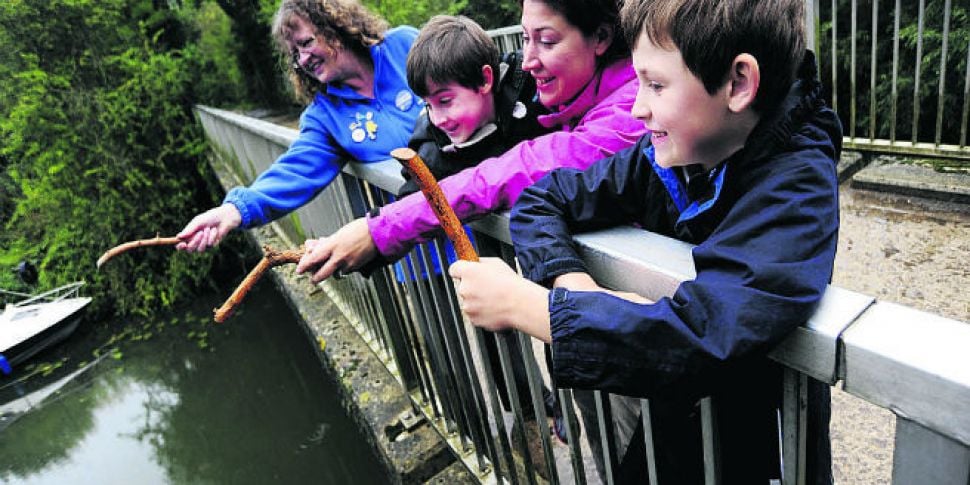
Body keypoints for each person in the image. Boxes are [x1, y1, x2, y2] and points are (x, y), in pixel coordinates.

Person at [449, 0, 841, 483]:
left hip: (761, 449)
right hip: (679, 430)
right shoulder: (669, 154)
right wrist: (574, 286)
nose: (637, 106)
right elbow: (542, 199)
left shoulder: (797, 188)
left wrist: (529, 307)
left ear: (738, 83)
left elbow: (706, 335)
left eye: (655, 85)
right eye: (638, 82)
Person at [176, 0, 422, 252]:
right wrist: (235, 209)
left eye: (306, 43)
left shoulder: (405, 46)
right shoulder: (325, 116)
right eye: (295, 53)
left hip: (464, 216)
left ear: (336, 26)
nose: (303, 59)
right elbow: (296, 171)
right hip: (418, 251)